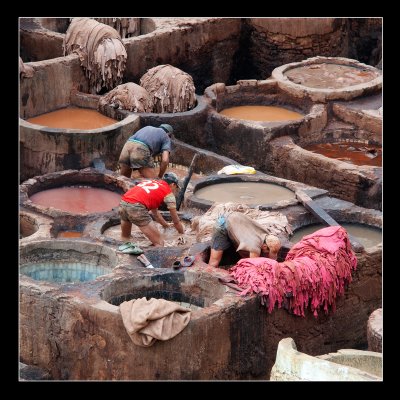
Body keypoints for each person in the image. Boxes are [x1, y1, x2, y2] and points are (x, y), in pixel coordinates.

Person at [119, 172, 184, 246]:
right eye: (176, 188)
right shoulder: (168, 193)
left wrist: (166, 225)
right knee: (160, 243)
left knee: (125, 237)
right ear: (173, 184)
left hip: (123, 203)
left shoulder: (152, 182)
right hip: (136, 208)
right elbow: (176, 222)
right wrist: (182, 234)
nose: (175, 190)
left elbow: (155, 213)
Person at [208, 211, 282, 268]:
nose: (267, 255)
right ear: (265, 247)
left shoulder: (267, 235)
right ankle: (208, 275)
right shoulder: (254, 246)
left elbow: (273, 260)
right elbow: (253, 267)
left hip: (236, 218)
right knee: (214, 261)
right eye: (267, 253)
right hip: (223, 223)